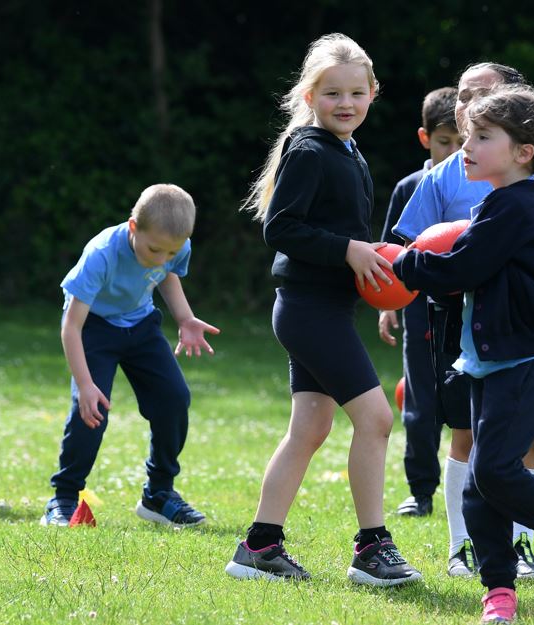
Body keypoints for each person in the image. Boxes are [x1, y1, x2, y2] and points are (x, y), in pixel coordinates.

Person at [392, 85, 534, 621]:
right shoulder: (503, 201)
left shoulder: (516, 205)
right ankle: (498, 593)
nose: (468, 146)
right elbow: (468, 276)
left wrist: (400, 264)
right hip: (490, 358)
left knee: (492, 470)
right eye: (466, 136)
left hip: (526, 360)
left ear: (523, 152)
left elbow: (462, 267)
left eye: (483, 137)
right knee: (479, 487)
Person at [223, 33, 420, 587]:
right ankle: (372, 548)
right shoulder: (310, 149)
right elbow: (280, 226)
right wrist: (350, 250)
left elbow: (346, 235)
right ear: (309, 96)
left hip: (323, 308)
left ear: (373, 94)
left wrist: (374, 272)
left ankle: (258, 547)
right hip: (309, 311)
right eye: (332, 93)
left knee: (309, 428)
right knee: (378, 419)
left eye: (356, 93)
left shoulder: (347, 150)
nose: (346, 103)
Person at [42, 184, 218, 527]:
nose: (161, 258)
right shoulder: (102, 254)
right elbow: (71, 327)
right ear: (134, 227)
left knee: (174, 399)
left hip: (140, 326)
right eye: (154, 249)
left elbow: (167, 275)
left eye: (171, 252)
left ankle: (158, 494)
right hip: (94, 328)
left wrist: (185, 318)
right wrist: (86, 384)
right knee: (91, 412)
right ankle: (63, 497)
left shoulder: (173, 244)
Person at [375, 86, 459, 520]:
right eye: (446, 141)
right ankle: (421, 490)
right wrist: (387, 305)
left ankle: (494, 483)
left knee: (476, 403)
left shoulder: (485, 182)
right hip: (419, 309)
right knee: (420, 403)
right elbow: (392, 251)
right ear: (425, 138)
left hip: (468, 311)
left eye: (464, 141)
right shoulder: (411, 186)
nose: (455, 151)